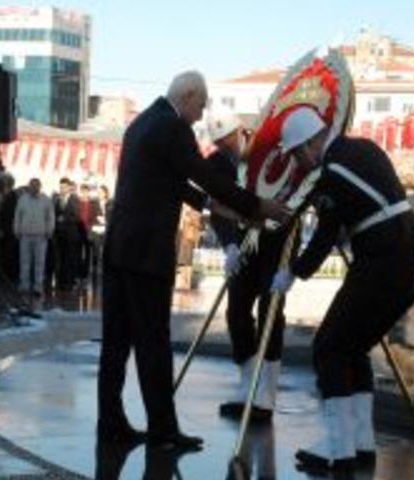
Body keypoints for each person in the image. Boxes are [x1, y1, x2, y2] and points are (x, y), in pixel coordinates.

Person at [97, 70, 290, 452]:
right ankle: (164, 431)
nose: (201, 116)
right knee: (154, 343)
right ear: (186, 96)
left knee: (116, 343)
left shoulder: (142, 124)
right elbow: (204, 176)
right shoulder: (173, 127)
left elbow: (171, 181)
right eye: (200, 106)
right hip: (146, 254)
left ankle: (111, 422)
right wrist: (256, 206)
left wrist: (209, 205)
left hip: (120, 249)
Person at [269, 106, 414, 474]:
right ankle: (360, 444)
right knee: (352, 348)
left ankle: (338, 447)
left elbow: (326, 234)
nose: (299, 163)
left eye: (298, 153)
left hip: (383, 264)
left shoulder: (331, 172)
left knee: (328, 347)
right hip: (409, 262)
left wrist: (294, 272)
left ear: (313, 143)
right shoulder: (364, 150)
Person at [204, 112, 289, 421]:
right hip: (242, 245)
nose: (224, 149)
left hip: (275, 241)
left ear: (241, 131)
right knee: (236, 312)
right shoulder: (216, 164)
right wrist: (228, 244)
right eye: (218, 144)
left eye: (227, 142)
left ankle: (267, 390)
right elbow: (216, 206)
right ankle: (247, 383)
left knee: (270, 310)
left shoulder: (271, 151)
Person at [14, 178, 54, 296]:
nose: (34, 188)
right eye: (32, 185)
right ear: (29, 186)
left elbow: (50, 217)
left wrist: (49, 230)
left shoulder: (46, 200)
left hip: (40, 235)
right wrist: (16, 229)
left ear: (40, 186)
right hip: (25, 235)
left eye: (36, 185)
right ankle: (24, 285)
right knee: (24, 262)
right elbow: (18, 216)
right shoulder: (22, 199)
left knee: (39, 263)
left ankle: (38, 287)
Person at [54, 177, 81, 291]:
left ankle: (70, 282)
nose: (62, 189)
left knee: (70, 259)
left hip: (71, 234)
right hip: (60, 234)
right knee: (61, 258)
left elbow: (76, 216)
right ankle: (61, 282)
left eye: (64, 187)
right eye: (60, 187)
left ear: (69, 187)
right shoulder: (57, 199)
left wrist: (64, 219)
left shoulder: (74, 199)